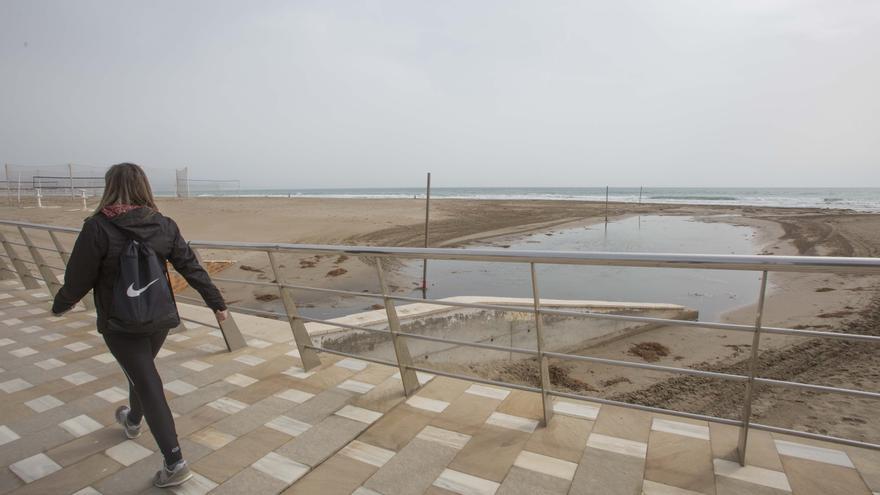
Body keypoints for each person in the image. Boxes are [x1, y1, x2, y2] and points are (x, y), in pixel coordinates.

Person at [51, 163, 229, 488]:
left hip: (120, 324)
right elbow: (191, 266)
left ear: (110, 188)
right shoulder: (163, 224)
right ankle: (132, 421)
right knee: (142, 372)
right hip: (157, 320)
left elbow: (78, 279)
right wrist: (216, 302)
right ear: (144, 187)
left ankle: (175, 462)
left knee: (147, 381)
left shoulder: (97, 227)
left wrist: (60, 305)